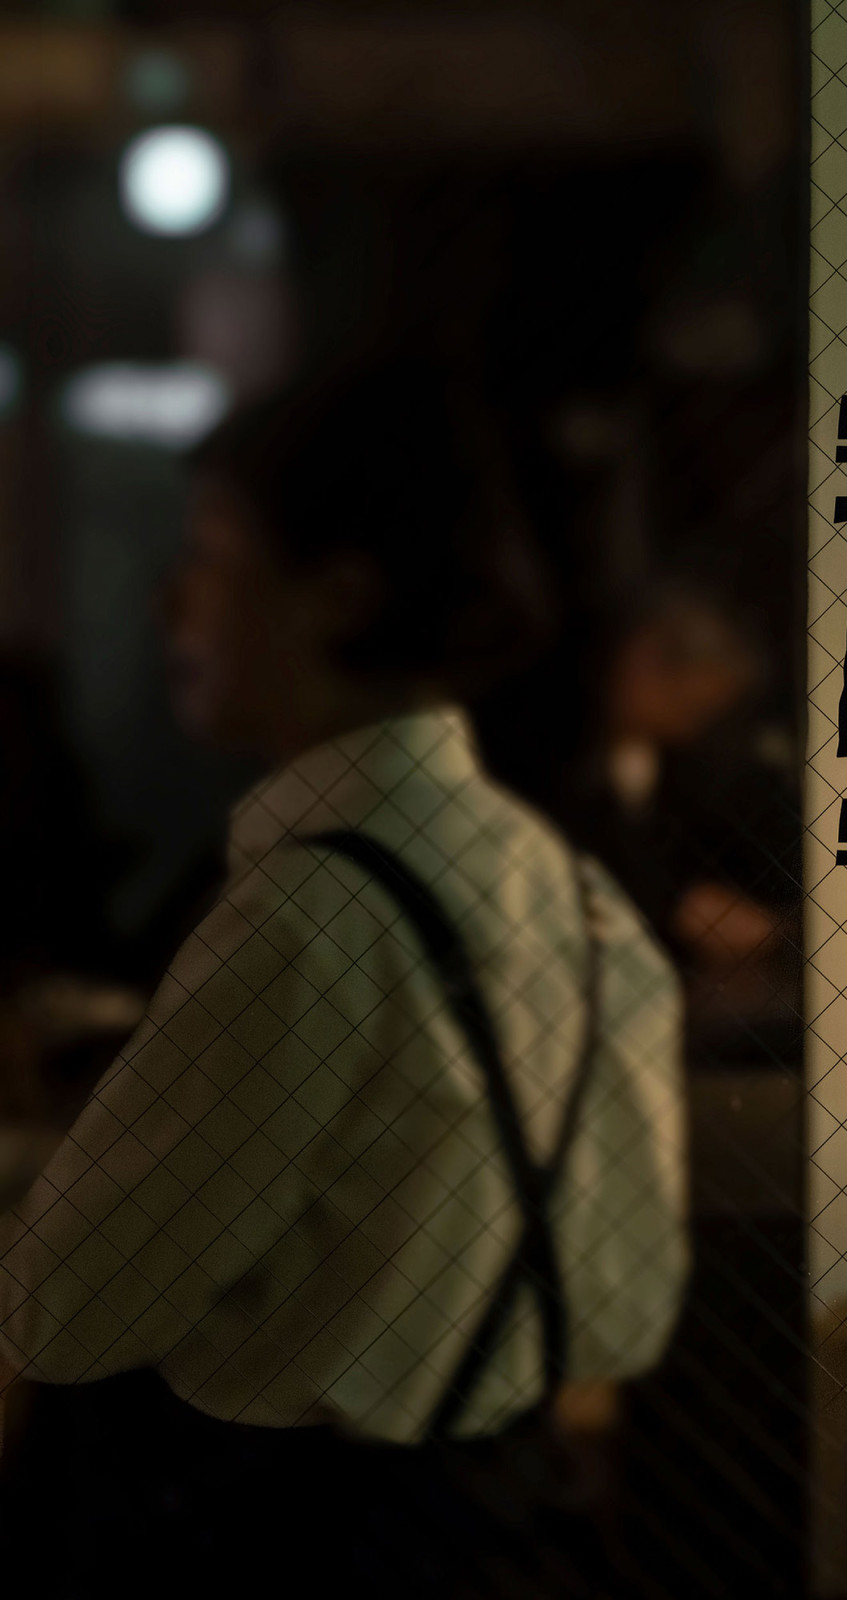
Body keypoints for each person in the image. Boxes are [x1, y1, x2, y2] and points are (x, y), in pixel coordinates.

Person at [0, 354, 690, 1597]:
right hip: (511, 1539)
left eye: (212, 553)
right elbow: (621, 1301)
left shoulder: (311, 911)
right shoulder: (564, 889)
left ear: (336, 595)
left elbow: (74, 1302)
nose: (172, 602)